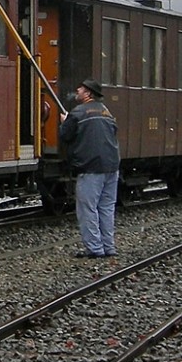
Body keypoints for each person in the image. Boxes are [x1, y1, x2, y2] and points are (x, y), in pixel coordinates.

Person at [58, 78, 120, 258]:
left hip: (91, 167)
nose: (77, 90)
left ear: (88, 94)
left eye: (81, 88)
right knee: (106, 208)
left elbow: (65, 135)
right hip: (112, 165)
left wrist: (65, 121)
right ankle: (109, 247)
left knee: (88, 208)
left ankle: (94, 248)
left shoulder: (78, 113)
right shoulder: (106, 112)